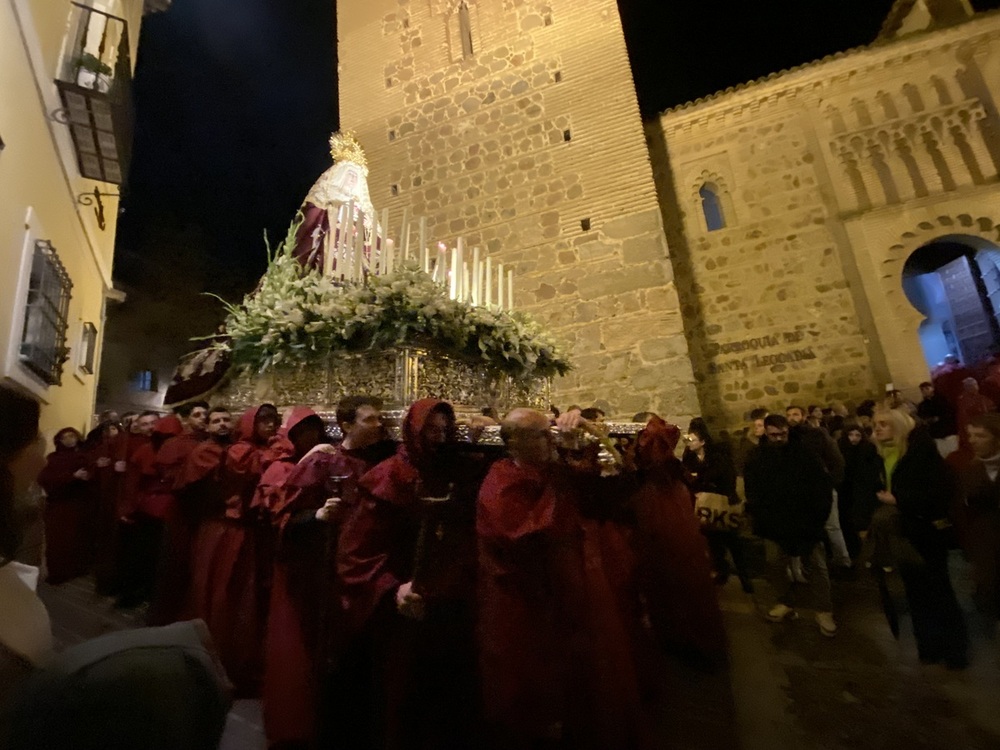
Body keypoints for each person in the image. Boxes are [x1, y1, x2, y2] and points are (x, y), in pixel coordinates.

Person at [477, 408, 650, 749]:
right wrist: (563, 478)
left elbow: (605, 498)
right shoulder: (501, 480)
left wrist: (584, 452)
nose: (549, 439)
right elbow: (523, 534)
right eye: (540, 434)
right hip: (528, 596)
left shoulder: (553, 468)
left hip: (568, 585)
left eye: (549, 432)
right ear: (513, 441)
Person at [338, 398, 483, 750]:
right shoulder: (389, 475)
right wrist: (391, 589)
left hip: (443, 602)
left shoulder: (443, 471)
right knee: (399, 696)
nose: (438, 437)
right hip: (401, 604)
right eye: (431, 429)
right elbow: (355, 550)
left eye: (444, 430)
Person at [262, 397, 393, 750]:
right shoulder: (323, 460)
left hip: (362, 574)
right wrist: (317, 516)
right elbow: (284, 518)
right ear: (347, 425)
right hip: (320, 575)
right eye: (371, 419)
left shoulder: (381, 463)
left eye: (381, 418)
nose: (379, 424)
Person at [186, 404, 280, 696]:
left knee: (237, 595)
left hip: (240, 531)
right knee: (220, 592)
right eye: (217, 420)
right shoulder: (230, 452)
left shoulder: (245, 449)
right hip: (223, 529)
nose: (223, 424)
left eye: (227, 419)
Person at [870, 407, 967, 667]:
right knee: (915, 593)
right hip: (903, 532)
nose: (877, 429)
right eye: (876, 424)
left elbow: (937, 494)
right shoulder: (883, 455)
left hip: (926, 531)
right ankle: (930, 646)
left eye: (884, 424)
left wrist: (899, 499)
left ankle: (955, 652)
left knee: (939, 591)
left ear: (899, 427)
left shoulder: (921, 454)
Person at [745, 414, 837, 636]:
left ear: (788, 431)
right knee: (775, 563)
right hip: (774, 524)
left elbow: (821, 488)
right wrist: (761, 515)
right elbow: (754, 492)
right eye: (773, 435)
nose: (778, 439)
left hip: (806, 521)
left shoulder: (805, 454)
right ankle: (785, 601)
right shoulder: (758, 458)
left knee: (817, 566)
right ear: (766, 434)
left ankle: (823, 610)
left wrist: (817, 518)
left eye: (782, 434)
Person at [681, 421, 751, 592]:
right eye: (688, 439)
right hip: (705, 504)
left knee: (732, 541)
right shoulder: (689, 457)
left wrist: (700, 478)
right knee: (713, 542)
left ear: (703, 441)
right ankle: (721, 571)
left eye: (692, 439)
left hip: (721, 501)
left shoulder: (718, 456)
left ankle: (745, 578)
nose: (689, 442)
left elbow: (723, 476)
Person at [787, 404, 850, 570]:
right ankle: (819, 563)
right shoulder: (788, 440)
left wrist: (830, 482)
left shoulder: (817, 434)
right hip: (803, 491)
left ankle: (842, 560)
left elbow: (836, 460)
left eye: (795, 414)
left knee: (832, 526)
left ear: (803, 416)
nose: (792, 418)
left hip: (823, 487)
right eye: (789, 415)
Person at [36, 428, 94, 585]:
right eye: (65, 437)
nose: (69, 439)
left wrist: (88, 476)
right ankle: (57, 572)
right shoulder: (53, 458)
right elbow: (45, 478)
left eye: (72, 435)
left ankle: (75, 569)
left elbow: (92, 476)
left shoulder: (84, 457)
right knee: (56, 540)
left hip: (77, 504)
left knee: (75, 539)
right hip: (57, 504)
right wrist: (71, 477)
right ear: (59, 440)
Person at [959, 414, 1000, 630]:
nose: (973, 440)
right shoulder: (970, 470)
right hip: (986, 546)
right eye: (970, 435)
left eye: (980, 435)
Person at [836, 420, 882, 560]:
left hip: (863, 493)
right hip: (846, 493)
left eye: (857, 435)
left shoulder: (868, 451)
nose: (854, 438)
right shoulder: (841, 450)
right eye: (851, 435)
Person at [917, 381, 958, 457]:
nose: (924, 391)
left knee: (954, 454)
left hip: (948, 432)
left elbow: (950, 413)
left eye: (927, 388)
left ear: (932, 389)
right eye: (922, 390)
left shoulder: (944, 400)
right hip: (936, 434)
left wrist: (938, 418)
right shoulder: (923, 405)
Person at [957, 378, 995, 452]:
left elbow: (990, 409)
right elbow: (963, 417)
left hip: (983, 426)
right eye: (973, 385)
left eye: (976, 384)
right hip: (974, 427)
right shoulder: (963, 400)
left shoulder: (982, 398)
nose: (976, 387)